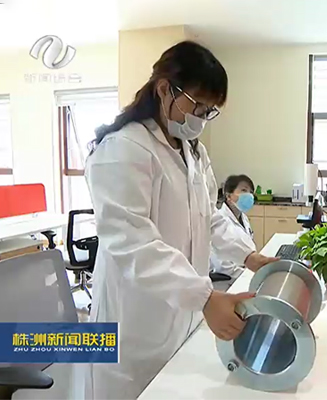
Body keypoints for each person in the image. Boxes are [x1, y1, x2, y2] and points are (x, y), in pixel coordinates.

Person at [84, 41, 277, 400]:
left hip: (180, 319)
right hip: (134, 327)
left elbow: (210, 218)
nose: (201, 117)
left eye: (209, 110)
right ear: (164, 89)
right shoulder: (123, 149)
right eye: (197, 105)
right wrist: (204, 297)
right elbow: (132, 242)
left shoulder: (194, 152)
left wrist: (248, 255)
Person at [210, 174, 256, 278]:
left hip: (243, 271)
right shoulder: (219, 221)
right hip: (228, 279)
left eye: (251, 192)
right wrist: (249, 274)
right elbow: (223, 266)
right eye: (244, 190)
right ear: (229, 196)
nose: (249, 195)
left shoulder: (244, 218)